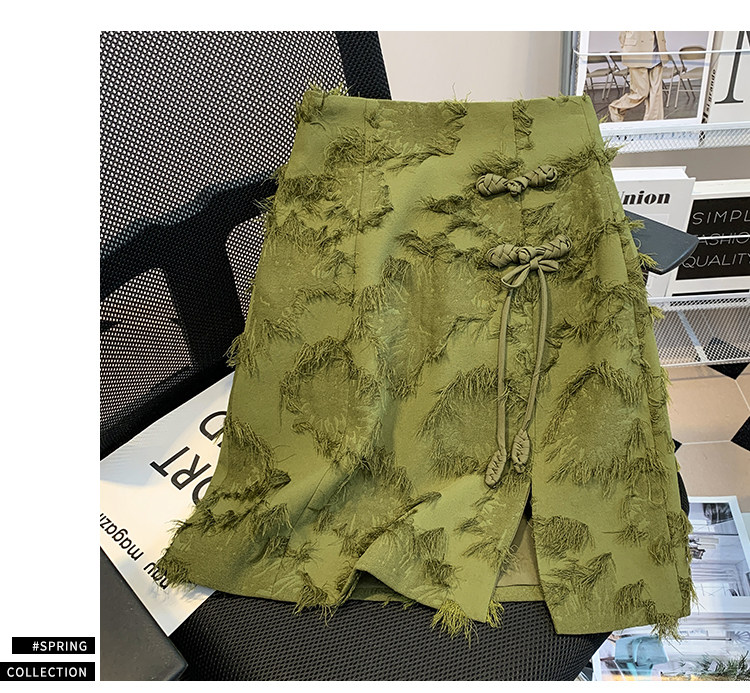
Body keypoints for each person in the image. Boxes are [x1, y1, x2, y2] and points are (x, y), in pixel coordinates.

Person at [608, 31, 667, 122]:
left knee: (656, 93)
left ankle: (653, 123)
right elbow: (622, 35)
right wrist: (628, 49)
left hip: (657, 55)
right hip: (637, 53)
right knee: (640, 93)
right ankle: (617, 107)